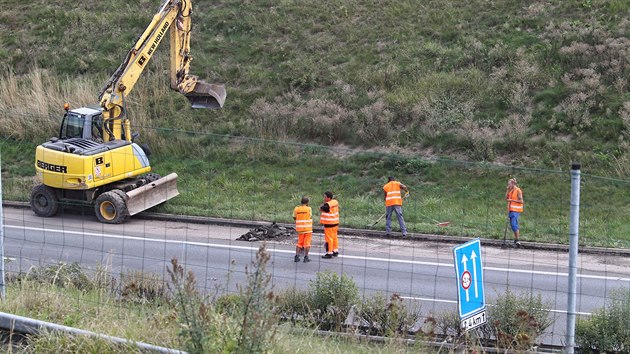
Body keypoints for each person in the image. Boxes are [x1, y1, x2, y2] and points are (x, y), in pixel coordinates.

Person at [320, 191, 339, 259]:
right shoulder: (335, 202)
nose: (324, 198)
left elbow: (321, 208)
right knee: (334, 237)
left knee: (329, 239)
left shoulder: (327, 204)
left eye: (325, 197)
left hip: (329, 224)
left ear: (329, 198)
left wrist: (322, 206)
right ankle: (335, 251)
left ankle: (329, 252)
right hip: (335, 223)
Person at [293, 196, 313, 263]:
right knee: (307, 243)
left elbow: (294, 217)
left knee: (299, 242)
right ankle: (306, 257)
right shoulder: (309, 209)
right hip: (308, 229)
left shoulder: (296, 209)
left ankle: (296, 256)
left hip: (300, 229)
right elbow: (310, 216)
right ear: (307, 202)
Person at [506, 178, 524, 246]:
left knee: (514, 224)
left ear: (513, 184)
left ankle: (517, 240)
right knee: (512, 225)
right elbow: (506, 198)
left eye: (509, 184)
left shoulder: (518, 190)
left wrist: (512, 200)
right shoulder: (511, 191)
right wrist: (507, 190)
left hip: (516, 210)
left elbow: (521, 201)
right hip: (511, 210)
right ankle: (516, 239)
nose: (508, 185)